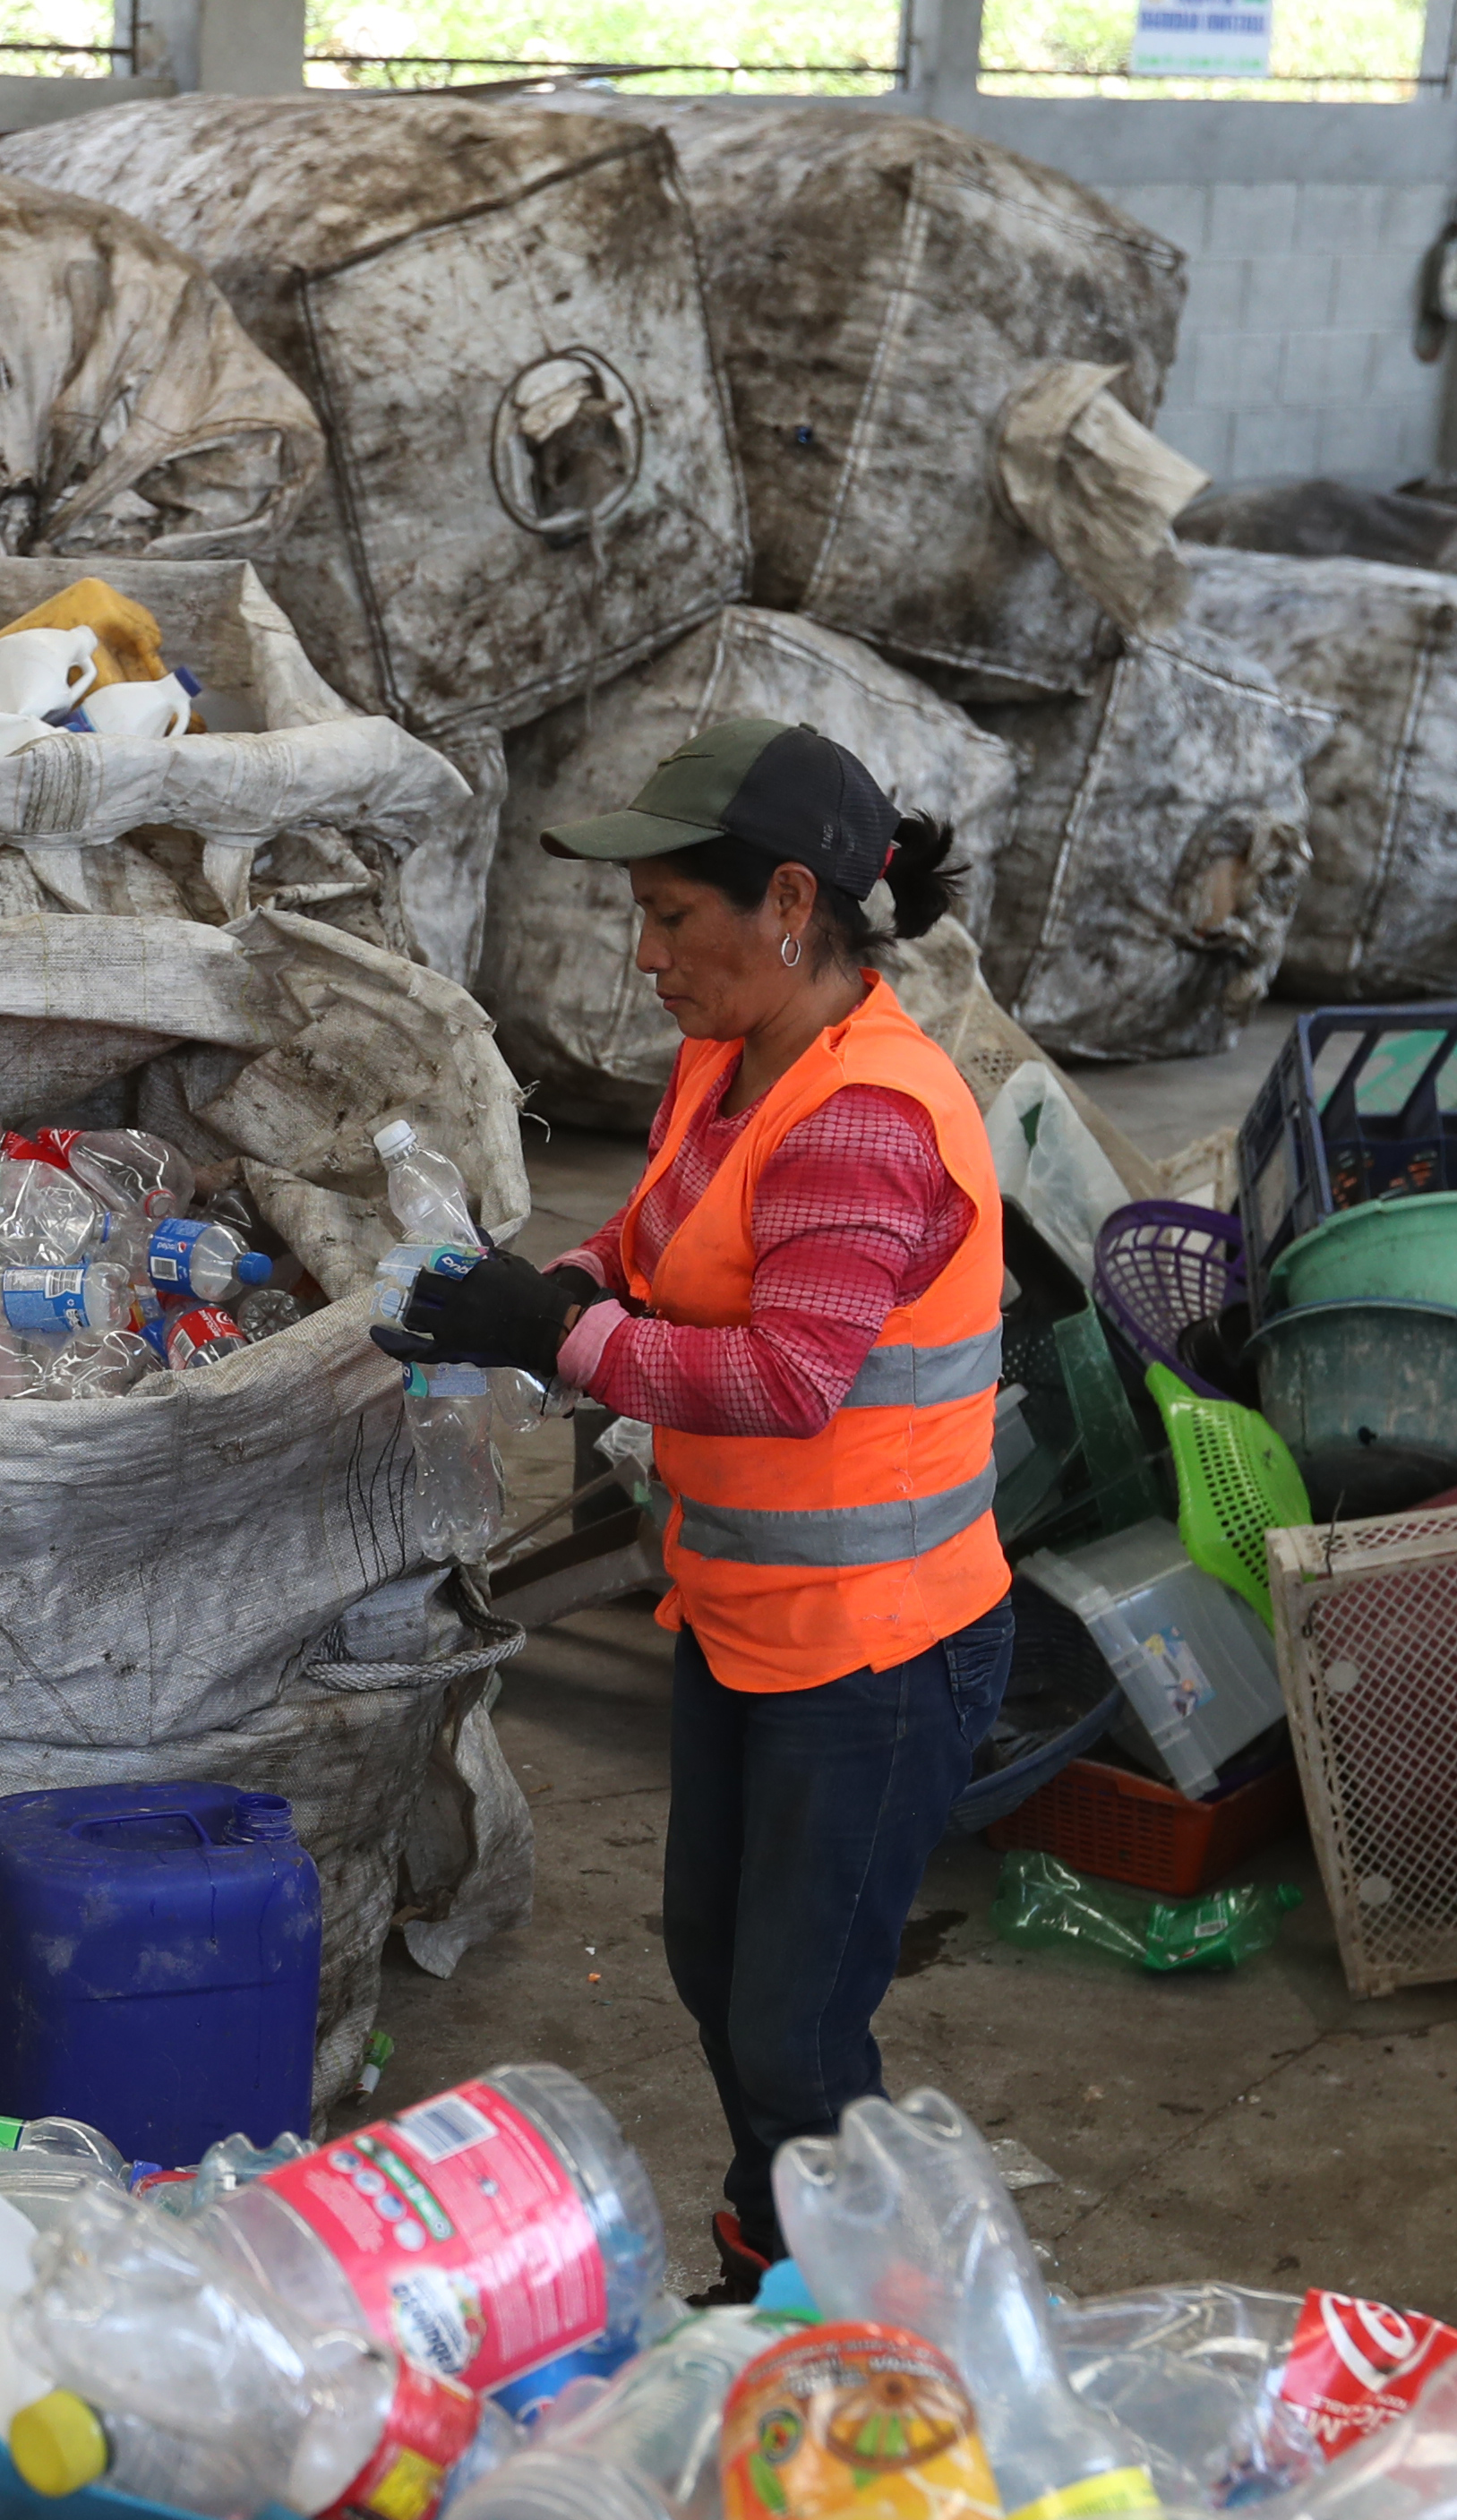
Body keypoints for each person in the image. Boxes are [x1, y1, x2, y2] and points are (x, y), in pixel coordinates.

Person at [379, 716, 1004, 2284]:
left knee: (794, 2029)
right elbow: (658, 1244)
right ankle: (772, 2258)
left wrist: (559, 1343)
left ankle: (882, 2316)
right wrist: (543, 1287)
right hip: (747, 1619)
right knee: (719, 1966)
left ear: (787, 904)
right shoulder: (732, 1059)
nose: (643, 956)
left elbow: (790, 1378)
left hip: (877, 1650)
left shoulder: (866, 1115)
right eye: (639, 917)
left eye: (670, 917)